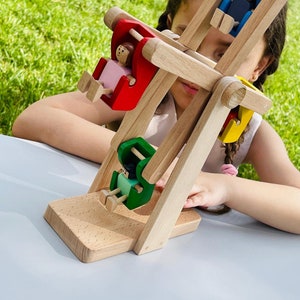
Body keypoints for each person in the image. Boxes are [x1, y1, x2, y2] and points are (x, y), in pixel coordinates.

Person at [12, 0, 300, 234]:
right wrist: (147, 160)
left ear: (259, 67)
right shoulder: (143, 89)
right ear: (169, 31)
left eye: (225, 53)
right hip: (108, 220)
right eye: (190, 40)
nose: (203, 65)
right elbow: (35, 119)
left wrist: (223, 186)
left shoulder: (250, 132)